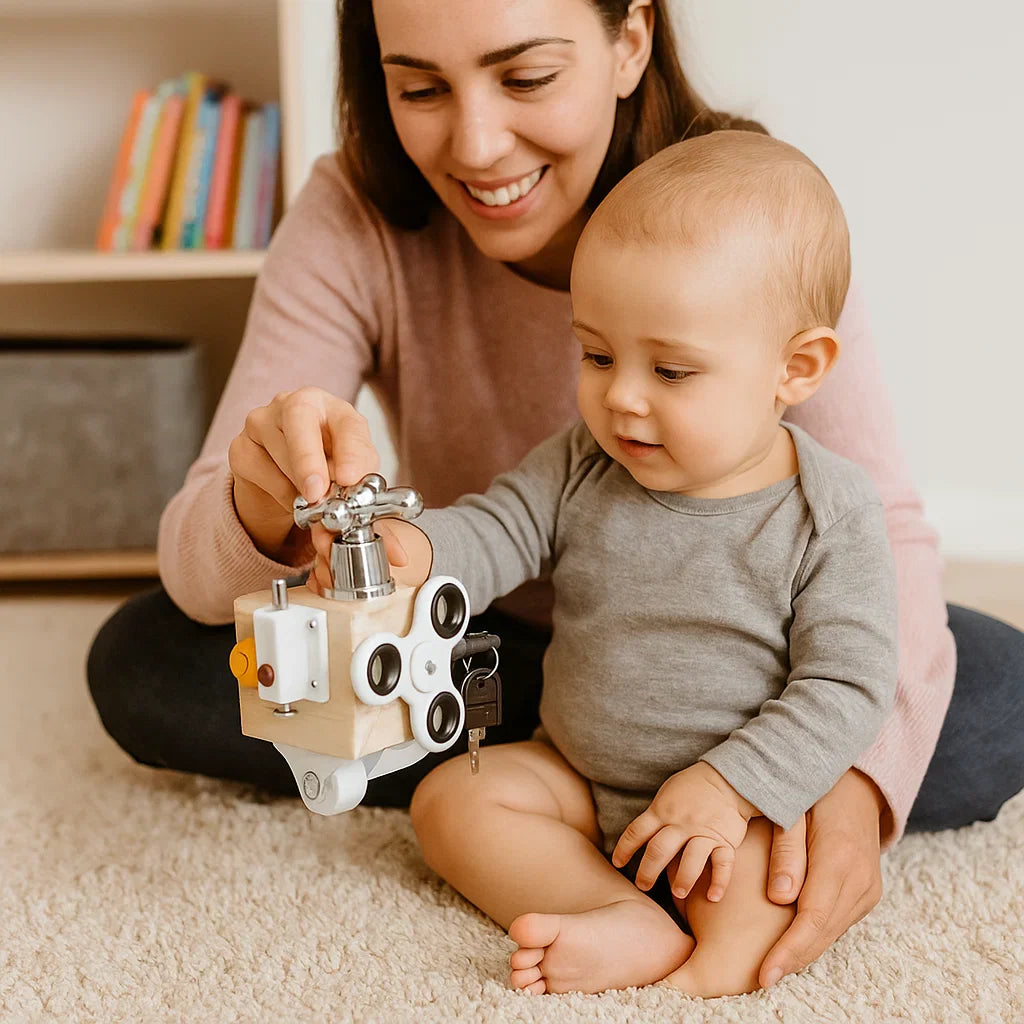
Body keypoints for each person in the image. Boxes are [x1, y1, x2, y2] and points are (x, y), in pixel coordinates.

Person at [85, 0, 1024, 994]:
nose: (479, 142)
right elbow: (495, 523)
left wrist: (840, 782)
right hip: (502, 664)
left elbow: (879, 573)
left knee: (992, 690)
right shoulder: (375, 228)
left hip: (741, 712)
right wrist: (330, 521)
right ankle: (613, 901)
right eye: (420, 88)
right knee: (152, 659)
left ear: (632, 39)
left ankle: (691, 957)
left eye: (525, 77)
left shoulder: (758, 227)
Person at [362, 128, 899, 996]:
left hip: (736, 799)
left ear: (795, 368)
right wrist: (418, 549)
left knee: (766, 893)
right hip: (575, 770)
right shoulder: (584, 460)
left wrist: (730, 787)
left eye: (674, 371)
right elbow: (502, 527)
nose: (621, 397)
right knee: (452, 801)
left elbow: (847, 685)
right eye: (597, 354)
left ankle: (696, 985)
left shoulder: (828, 510)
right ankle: (618, 912)